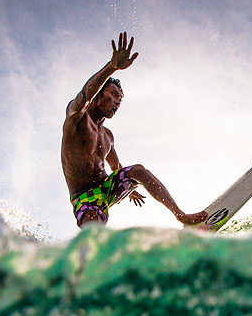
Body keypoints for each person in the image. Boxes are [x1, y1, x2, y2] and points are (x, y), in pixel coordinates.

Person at [62, 32, 207, 228]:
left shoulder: (107, 137)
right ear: (98, 95)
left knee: (138, 170)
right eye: (113, 95)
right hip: (84, 197)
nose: (117, 102)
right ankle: (93, 254)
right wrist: (111, 67)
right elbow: (85, 94)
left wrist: (129, 188)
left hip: (106, 187)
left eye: (120, 99)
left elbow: (116, 167)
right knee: (92, 219)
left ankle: (181, 215)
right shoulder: (77, 118)